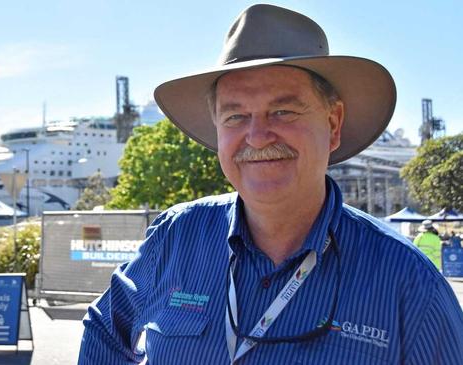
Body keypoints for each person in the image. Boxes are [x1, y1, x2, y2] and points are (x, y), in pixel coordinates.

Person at [78, 4, 463, 364]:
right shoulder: (176, 238)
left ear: (333, 125)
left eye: (283, 111)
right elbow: (105, 326)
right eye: (235, 117)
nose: (257, 136)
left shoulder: (408, 283)